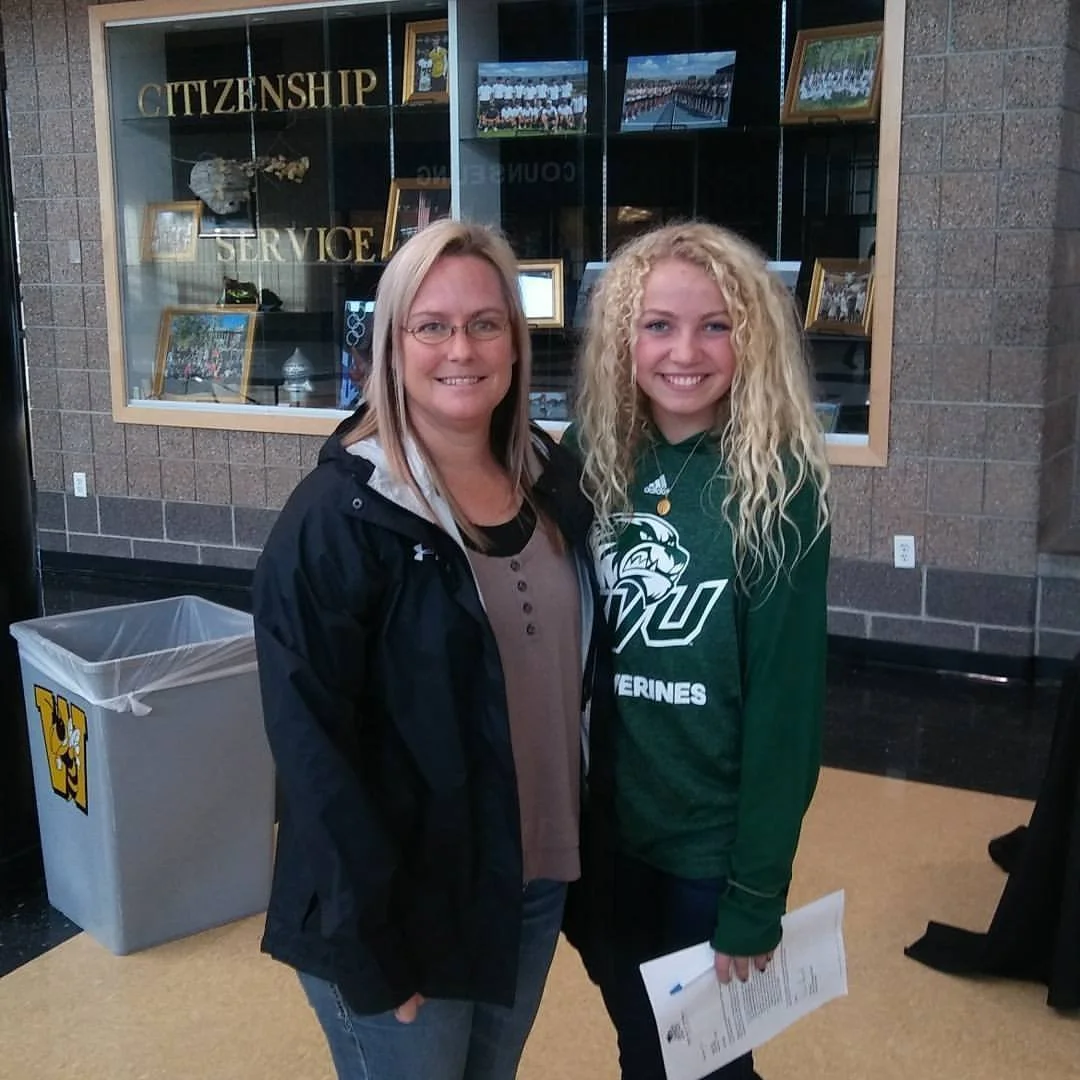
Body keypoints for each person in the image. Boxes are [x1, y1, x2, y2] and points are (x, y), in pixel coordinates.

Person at [252, 219, 612, 1080]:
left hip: (525, 882)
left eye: (487, 323)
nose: (463, 347)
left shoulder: (551, 478)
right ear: (391, 344)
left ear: (518, 346)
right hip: (398, 904)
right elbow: (311, 750)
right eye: (432, 325)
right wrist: (372, 938)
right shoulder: (337, 519)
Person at [564, 221, 831, 1080]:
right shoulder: (587, 460)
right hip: (608, 838)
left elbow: (788, 715)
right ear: (622, 340)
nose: (687, 351)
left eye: (715, 324)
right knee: (641, 1049)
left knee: (711, 1068)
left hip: (711, 856)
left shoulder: (779, 488)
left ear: (751, 336)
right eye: (658, 325)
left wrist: (757, 891)